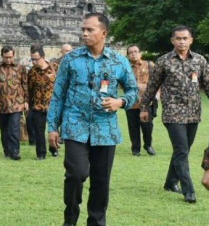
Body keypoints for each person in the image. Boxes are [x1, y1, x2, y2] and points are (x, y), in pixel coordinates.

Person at [47, 13, 137, 226]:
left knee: (101, 181)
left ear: (104, 33)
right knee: (76, 174)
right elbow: (58, 94)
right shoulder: (71, 59)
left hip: (105, 129)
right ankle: (70, 219)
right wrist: (52, 127)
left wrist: (120, 102)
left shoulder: (118, 61)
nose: (84, 33)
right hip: (75, 126)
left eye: (90, 30)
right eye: (83, 30)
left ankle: (96, 222)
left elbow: (133, 90)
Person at [140, 26, 209, 204]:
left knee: (183, 151)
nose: (181, 41)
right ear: (172, 40)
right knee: (181, 150)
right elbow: (152, 87)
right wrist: (144, 108)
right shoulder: (163, 61)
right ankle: (189, 190)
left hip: (193, 114)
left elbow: (208, 84)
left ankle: (170, 182)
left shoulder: (200, 61)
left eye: (185, 38)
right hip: (172, 113)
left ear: (191, 40)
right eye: (178, 38)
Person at [0, 45, 28, 160]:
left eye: (10, 57)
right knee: (4, 129)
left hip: (16, 103)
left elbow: (25, 85)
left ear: (13, 55)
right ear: (2, 56)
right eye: (6, 57)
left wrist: (26, 101)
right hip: (1, 104)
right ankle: (7, 151)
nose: (8, 59)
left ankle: (15, 151)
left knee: (14, 128)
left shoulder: (20, 68)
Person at [27, 44, 58, 159]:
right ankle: (40, 153)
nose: (34, 62)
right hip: (38, 105)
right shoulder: (32, 72)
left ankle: (53, 148)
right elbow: (29, 89)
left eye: (36, 59)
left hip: (52, 106)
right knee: (39, 131)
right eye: (32, 59)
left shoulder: (54, 68)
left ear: (43, 57)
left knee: (53, 130)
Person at [125, 45, 156, 156]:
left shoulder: (150, 65)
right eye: (131, 52)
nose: (134, 54)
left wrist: (157, 94)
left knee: (147, 125)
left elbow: (157, 80)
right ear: (128, 55)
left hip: (147, 101)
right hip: (131, 101)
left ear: (140, 53)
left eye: (136, 51)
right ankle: (135, 148)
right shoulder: (125, 68)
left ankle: (148, 145)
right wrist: (137, 86)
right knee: (133, 126)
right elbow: (121, 83)